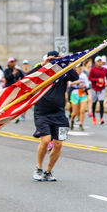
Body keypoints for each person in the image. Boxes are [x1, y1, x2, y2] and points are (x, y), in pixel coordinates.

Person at [32, 51, 79, 181]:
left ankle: (48, 171)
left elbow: (75, 76)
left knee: (58, 144)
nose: (53, 62)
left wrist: (65, 62)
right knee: (46, 140)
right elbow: (28, 77)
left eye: (55, 59)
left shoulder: (62, 71)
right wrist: (44, 64)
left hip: (59, 113)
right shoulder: (41, 72)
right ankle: (39, 167)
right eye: (51, 59)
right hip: (42, 112)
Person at [88, 56, 107, 125]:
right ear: (95, 62)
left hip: (102, 88)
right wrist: (97, 80)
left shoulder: (105, 69)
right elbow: (89, 78)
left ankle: (101, 118)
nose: (100, 63)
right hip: (94, 88)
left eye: (100, 61)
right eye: (98, 61)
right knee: (94, 103)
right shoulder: (93, 69)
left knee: (101, 102)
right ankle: (94, 117)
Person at [68, 65, 89, 131]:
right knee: (75, 112)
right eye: (78, 67)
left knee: (82, 110)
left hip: (82, 93)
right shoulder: (72, 74)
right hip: (74, 93)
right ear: (75, 68)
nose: (79, 68)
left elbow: (87, 84)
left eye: (80, 67)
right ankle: (72, 120)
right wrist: (76, 82)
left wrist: (84, 85)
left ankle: (81, 124)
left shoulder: (83, 75)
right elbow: (68, 84)